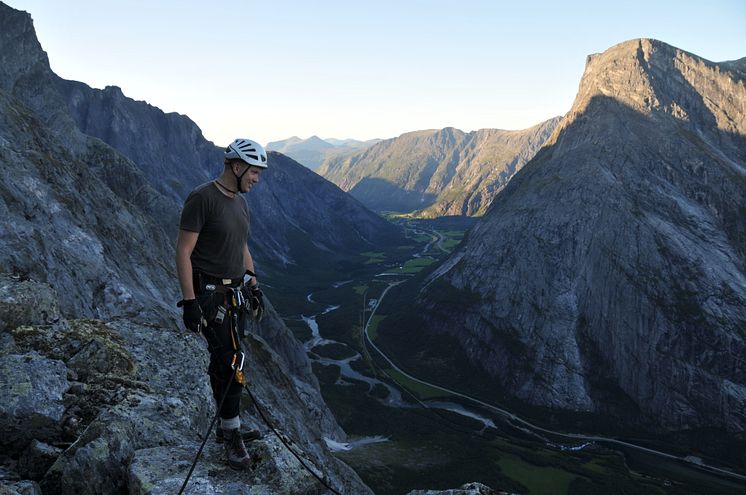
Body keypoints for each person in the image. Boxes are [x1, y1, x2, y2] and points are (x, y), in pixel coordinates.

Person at [175, 138, 267, 470]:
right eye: (254, 171)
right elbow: (184, 251)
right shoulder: (203, 198)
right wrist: (190, 302)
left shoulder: (240, 203)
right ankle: (232, 436)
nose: (257, 179)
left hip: (234, 294)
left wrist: (253, 284)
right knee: (231, 362)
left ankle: (229, 425)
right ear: (237, 166)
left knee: (225, 359)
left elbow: (242, 247)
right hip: (210, 295)